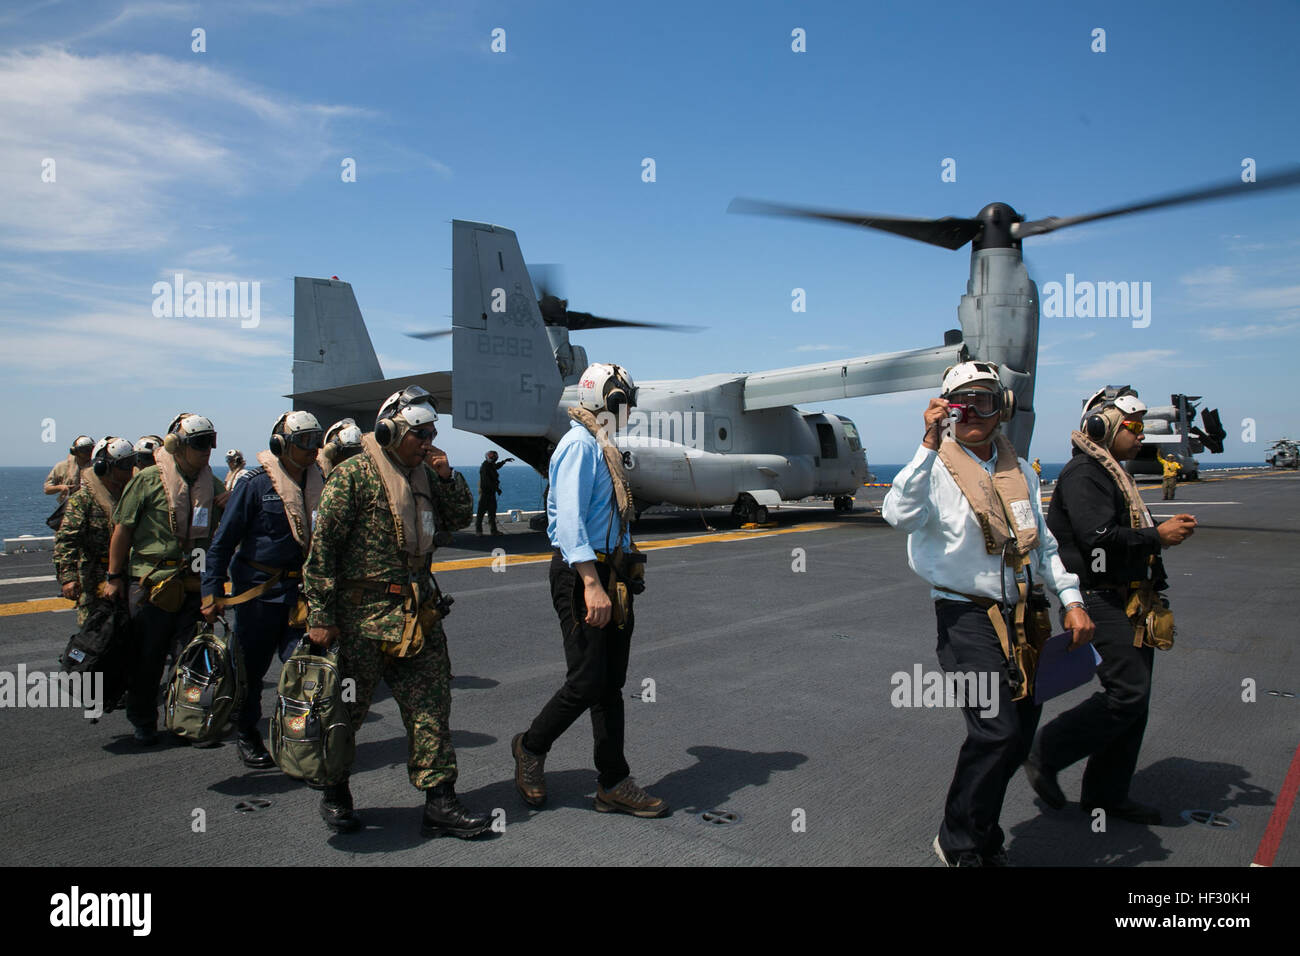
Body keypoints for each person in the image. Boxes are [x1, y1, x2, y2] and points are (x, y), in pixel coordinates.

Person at [882, 361, 1094, 866]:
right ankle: (957, 842)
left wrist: (1072, 598)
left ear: (1004, 408)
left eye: (986, 400)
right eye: (963, 402)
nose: (974, 412)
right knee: (995, 731)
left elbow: (1043, 543)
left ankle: (982, 835)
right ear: (947, 410)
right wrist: (928, 443)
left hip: (1026, 616)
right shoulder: (931, 466)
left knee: (1016, 737)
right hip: (966, 617)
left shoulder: (1018, 470)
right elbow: (898, 515)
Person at [302, 386, 490, 838]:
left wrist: (446, 478)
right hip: (362, 619)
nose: (429, 442)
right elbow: (322, 550)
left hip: (418, 617)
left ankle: (440, 800)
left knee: (431, 708)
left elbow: (460, 518)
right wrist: (320, 617)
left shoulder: (426, 474)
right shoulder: (352, 477)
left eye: (432, 433)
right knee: (348, 710)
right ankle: (335, 790)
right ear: (389, 432)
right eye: (419, 434)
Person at [1025, 387, 1197, 826]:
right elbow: (1097, 537)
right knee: (1127, 693)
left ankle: (1107, 796)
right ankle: (1046, 751)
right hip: (1099, 597)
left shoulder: (1113, 472)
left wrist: (1156, 536)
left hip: (1130, 597)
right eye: (1135, 427)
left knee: (1135, 702)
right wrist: (1157, 536)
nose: (1142, 436)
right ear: (1105, 427)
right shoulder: (1086, 472)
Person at [512, 363, 667, 819]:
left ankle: (613, 783)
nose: (629, 410)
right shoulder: (579, 445)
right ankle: (530, 747)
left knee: (610, 685)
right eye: (625, 401)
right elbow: (569, 523)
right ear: (607, 400)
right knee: (585, 681)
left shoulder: (603, 445)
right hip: (585, 575)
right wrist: (592, 584)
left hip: (610, 574)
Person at [201, 412, 325, 769]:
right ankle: (246, 733)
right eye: (304, 442)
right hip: (258, 596)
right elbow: (222, 544)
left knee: (303, 670)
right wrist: (211, 593)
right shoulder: (254, 485)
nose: (313, 449)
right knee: (249, 672)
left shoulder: (321, 482)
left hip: (300, 596)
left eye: (316, 441)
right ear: (280, 445)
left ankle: (298, 737)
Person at [104, 413, 225, 745]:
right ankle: (143, 719)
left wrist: (230, 504)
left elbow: (225, 532)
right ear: (178, 446)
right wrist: (114, 577)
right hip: (151, 584)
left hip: (193, 584)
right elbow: (123, 530)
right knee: (148, 657)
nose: (207, 451)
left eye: (210, 443)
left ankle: (189, 720)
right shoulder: (146, 481)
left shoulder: (212, 486)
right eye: (200, 444)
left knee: (194, 657)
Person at [54, 437, 135, 628]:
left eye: (131, 463)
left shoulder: (133, 495)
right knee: (93, 637)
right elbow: (66, 541)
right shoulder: (83, 500)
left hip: (129, 577)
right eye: (123, 465)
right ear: (103, 467)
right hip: (93, 579)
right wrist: (68, 579)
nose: (128, 470)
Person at [45, 435, 95, 526]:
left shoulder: (96, 467)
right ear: (75, 451)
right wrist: (61, 487)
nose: (88, 453)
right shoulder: (62, 467)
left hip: (92, 513)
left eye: (90, 449)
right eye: (85, 450)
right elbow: (47, 489)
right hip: (69, 513)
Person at [476, 450, 515, 535]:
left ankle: (493, 531)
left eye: (493, 457)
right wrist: (497, 489)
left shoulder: (490, 465)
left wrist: (505, 461)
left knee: (492, 513)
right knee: (481, 513)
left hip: (491, 493)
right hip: (485, 493)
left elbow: (496, 466)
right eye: (492, 457)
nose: (493, 458)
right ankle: (479, 531)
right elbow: (487, 482)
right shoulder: (485, 467)